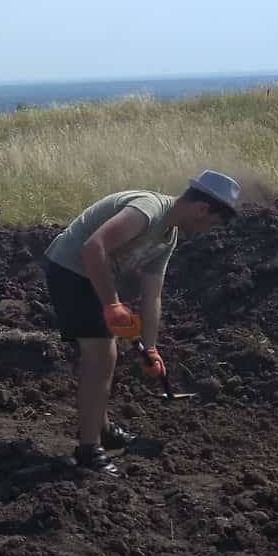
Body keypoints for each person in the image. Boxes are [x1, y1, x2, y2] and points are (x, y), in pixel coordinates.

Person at [43, 170, 240, 475]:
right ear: (203, 209)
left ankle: (102, 431)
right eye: (212, 223)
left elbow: (153, 295)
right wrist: (111, 304)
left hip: (93, 277)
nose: (206, 230)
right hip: (70, 269)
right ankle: (88, 449)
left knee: (104, 355)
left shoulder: (167, 237)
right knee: (102, 356)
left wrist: (150, 347)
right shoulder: (148, 209)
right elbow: (92, 248)